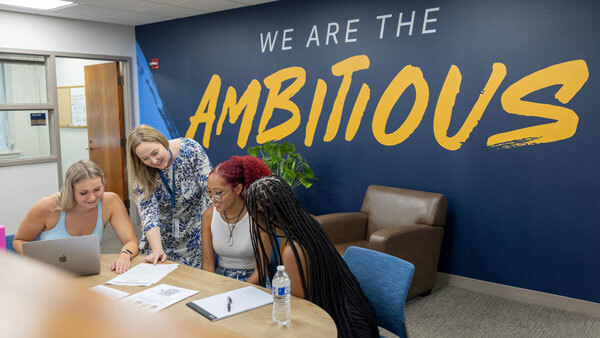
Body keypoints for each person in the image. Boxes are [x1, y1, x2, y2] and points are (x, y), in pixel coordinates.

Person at [245, 175, 379, 338]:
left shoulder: (293, 250)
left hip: (343, 328)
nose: (251, 219)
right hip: (353, 314)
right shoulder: (307, 225)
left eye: (252, 214)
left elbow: (300, 307)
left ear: (263, 217)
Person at [13, 160, 139, 273]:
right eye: (83, 193)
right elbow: (18, 241)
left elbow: (131, 241)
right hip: (51, 275)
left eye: (97, 189)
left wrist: (124, 255)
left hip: (87, 273)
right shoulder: (47, 206)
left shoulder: (110, 201)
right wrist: (40, 262)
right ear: (70, 191)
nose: (92, 198)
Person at [126, 124, 212, 268]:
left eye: (155, 153)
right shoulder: (140, 172)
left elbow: (209, 191)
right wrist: (157, 250)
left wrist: (209, 234)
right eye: (145, 158)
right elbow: (149, 214)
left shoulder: (190, 149)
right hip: (160, 237)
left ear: (162, 141)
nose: (153, 161)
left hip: (195, 233)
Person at [201, 156, 272, 283]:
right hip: (220, 278)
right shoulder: (208, 216)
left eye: (218, 193)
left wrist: (237, 292)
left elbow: (261, 271)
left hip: (254, 281)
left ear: (237, 189)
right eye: (209, 192)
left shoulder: (257, 216)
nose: (212, 199)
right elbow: (207, 267)